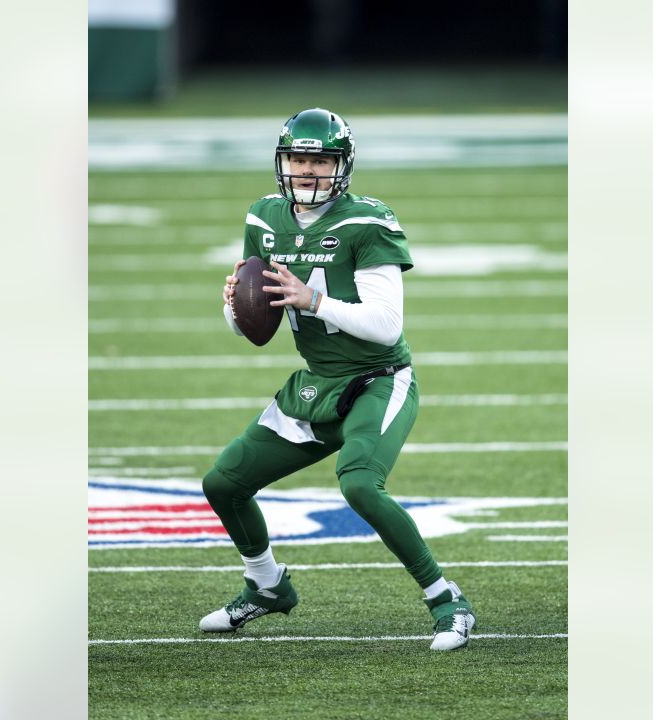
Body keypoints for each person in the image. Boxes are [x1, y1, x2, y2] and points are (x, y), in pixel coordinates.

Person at [198, 108, 475, 651]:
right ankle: (267, 584)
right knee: (223, 483)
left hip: (378, 379)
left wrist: (315, 300)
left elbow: (386, 324)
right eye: (298, 158)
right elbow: (253, 329)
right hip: (318, 382)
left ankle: (448, 600)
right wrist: (233, 307)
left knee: (359, 485)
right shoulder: (263, 218)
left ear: (341, 165)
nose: (307, 170)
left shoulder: (366, 222)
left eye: (320, 160)